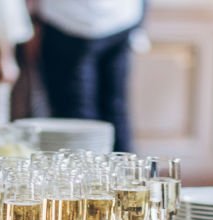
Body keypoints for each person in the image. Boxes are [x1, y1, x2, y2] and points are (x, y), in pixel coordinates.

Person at [37, 0, 144, 152]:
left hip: (72, 20)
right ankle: (125, 172)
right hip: (121, 17)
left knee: (77, 117)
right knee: (114, 108)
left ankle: (91, 173)